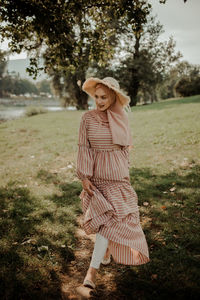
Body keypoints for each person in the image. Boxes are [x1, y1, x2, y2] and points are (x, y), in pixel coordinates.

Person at [76, 77, 150, 290]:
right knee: (105, 223)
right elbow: (84, 147)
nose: (99, 101)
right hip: (98, 179)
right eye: (96, 97)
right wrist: (84, 176)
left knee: (110, 223)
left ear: (113, 97)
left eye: (104, 97)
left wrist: (124, 175)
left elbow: (125, 150)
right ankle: (94, 269)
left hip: (117, 179)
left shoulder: (121, 118)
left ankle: (94, 268)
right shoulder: (87, 118)